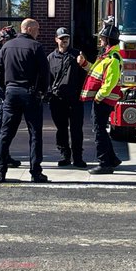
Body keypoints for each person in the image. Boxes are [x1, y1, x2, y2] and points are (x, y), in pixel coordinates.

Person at [0, 18, 50, 183]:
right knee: (34, 134)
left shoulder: (7, 46)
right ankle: (35, 172)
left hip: (11, 93)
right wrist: (41, 92)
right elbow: (44, 72)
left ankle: (1, 172)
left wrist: (4, 91)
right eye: (37, 29)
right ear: (30, 29)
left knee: (5, 134)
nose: (38, 32)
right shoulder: (36, 47)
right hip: (30, 94)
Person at [80, 21, 124, 175]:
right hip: (104, 100)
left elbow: (110, 81)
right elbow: (94, 72)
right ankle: (112, 159)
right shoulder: (107, 55)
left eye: (102, 38)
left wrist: (99, 97)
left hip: (104, 100)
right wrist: (84, 64)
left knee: (99, 131)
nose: (100, 40)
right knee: (101, 130)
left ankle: (104, 163)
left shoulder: (113, 58)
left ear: (108, 40)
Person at [47, 27, 88, 168]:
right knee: (61, 129)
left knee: (76, 129)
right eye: (62, 38)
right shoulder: (50, 58)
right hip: (57, 100)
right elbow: (48, 79)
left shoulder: (77, 56)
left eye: (67, 38)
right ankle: (65, 156)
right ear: (56, 39)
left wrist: (82, 63)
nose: (65, 40)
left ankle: (78, 158)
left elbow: (86, 75)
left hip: (75, 99)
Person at [0, 26, 22, 170]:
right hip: (1, 98)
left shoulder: (6, 54)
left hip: (5, 97)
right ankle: (1, 159)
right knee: (1, 130)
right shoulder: (0, 57)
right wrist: (4, 96)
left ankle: (5, 156)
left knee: (6, 130)